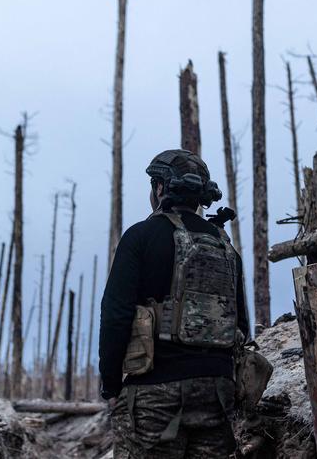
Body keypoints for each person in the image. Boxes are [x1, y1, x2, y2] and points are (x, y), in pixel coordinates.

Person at [99, 149, 250, 459]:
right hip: (216, 394)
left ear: (159, 188)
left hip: (154, 395)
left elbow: (115, 316)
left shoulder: (140, 237)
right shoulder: (225, 247)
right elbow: (241, 325)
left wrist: (111, 386)